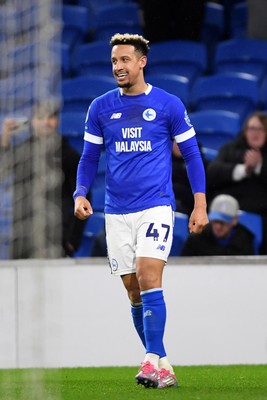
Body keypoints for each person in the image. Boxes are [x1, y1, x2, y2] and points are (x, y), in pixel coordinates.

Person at [73, 33, 208, 389]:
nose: (118, 66)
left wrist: (199, 203)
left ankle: (149, 361)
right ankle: (162, 363)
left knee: (150, 276)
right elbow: (89, 157)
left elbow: (192, 155)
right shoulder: (100, 107)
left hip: (156, 206)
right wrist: (80, 193)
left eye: (125, 60)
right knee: (134, 291)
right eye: (114, 61)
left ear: (142, 62)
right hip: (115, 212)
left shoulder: (168, 105)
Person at [0, 100, 87, 258]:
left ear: (57, 121)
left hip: (56, 237)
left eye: (51, 117)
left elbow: (84, 198)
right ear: (32, 121)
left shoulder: (69, 155)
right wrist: (4, 140)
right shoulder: (20, 152)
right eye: (40, 117)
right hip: (22, 235)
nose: (46, 122)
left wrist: (72, 240)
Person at [206, 111, 267, 254]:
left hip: (262, 212)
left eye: (260, 129)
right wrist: (243, 170)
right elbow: (212, 172)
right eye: (251, 128)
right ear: (245, 131)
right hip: (224, 207)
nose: (255, 133)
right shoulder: (230, 149)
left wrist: (259, 166)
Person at [181, 194, 255, 256]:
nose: (218, 226)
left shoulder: (245, 240)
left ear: (234, 220)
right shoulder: (196, 238)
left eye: (223, 222)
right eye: (215, 221)